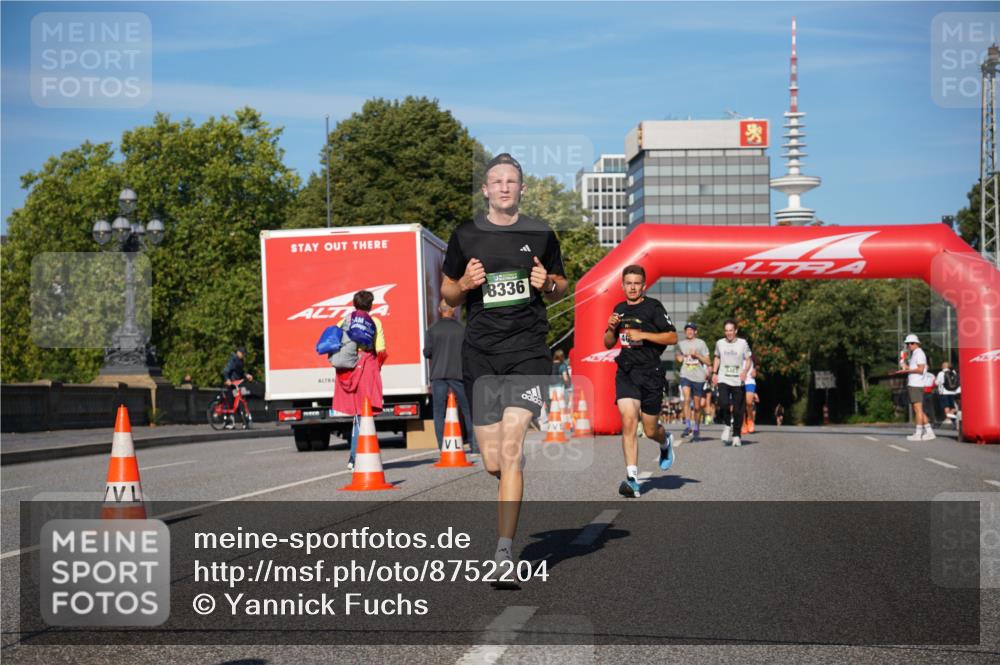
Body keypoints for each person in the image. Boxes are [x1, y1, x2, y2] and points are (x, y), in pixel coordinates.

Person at [441, 153, 567, 572]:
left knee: (510, 450)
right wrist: (464, 283)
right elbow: (448, 295)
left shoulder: (541, 232)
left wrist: (546, 282)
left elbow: (561, 284)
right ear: (486, 189)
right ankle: (511, 474)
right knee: (494, 461)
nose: (504, 188)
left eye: (511, 181)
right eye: (497, 182)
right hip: (480, 355)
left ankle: (503, 554)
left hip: (528, 351)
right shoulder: (465, 234)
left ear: (522, 188)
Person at [603, 264, 678, 498]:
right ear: (623, 285)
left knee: (650, 429)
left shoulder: (653, 307)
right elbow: (607, 343)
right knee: (628, 419)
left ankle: (665, 442)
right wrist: (610, 327)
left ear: (643, 285)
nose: (632, 287)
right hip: (626, 371)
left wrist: (643, 334)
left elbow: (672, 336)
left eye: (637, 283)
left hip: (651, 373)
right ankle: (632, 479)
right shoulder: (619, 309)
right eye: (628, 283)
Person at [334, 290, 387, 469]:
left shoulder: (344, 321)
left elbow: (336, 343)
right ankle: (357, 457)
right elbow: (381, 351)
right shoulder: (376, 322)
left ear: (354, 304)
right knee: (365, 415)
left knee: (357, 415)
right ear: (370, 305)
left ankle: (353, 458)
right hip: (367, 367)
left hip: (348, 369)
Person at [423, 299, 477, 455]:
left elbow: (427, 352)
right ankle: (474, 446)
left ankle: (443, 447)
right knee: (468, 410)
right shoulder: (462, 329)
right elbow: (469, 352)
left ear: (440, 310)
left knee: (439, 412)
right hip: (459, 374)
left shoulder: (432, 329)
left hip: (438, 375)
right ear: (453, 310)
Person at [712, 320, 752, 447]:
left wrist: (745, 371)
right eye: (726, 330)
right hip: (724, 377)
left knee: (738, 410)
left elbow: (748, 359)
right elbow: (717, 357)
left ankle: (736, 435)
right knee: (723, 403)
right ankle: (727, 425)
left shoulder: (743, 343)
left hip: (738, 379)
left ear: (736, 331)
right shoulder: (720, 343)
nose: (728, 333)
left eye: (731, 330)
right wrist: (714, 373)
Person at [675, 322, 710, 442]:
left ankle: (696, 428)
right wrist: (680, 357)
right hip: (685, 375)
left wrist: (697, 355)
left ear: (696, 331)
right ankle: (688, 426)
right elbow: (678, 357)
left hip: (699, 377)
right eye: (687, 330)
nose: (689, 332)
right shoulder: (681, 344)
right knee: (686, 399)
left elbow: (708, 362)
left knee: (696, 406)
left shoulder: (701, 343)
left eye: (692, 330)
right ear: (685, 332)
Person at [896, 333, 934, 441]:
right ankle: (929, 432)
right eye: (908, 344)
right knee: (918, 410)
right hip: (914, 384)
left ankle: (918, 433)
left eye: (911, 343)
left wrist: (907, 370)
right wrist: (905, 366)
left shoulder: (919, 353)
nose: (909, 346)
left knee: (918, 410)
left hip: (916, 384)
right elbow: (913, 368)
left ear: (917, 343)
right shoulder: (915, 354)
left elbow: (921, 369)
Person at [221, 347, 254, 429]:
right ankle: (229, 422)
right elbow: (226, 371)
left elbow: (241, 372)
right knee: (231, 403)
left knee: (240, 402)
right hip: (232, 385)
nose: (243, 356)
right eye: (243, 354)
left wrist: (246, 375)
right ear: (238, 352)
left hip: (238, 384)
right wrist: (227, 379)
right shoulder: (233, 360)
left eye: (244, 354)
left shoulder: (241, 361)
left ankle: (243, 421)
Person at [742, 355, 759, 435]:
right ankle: (743, 424)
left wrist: (755, 369)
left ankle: (750, 419)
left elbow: (758, 364)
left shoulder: (751, 354)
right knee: (740, 404)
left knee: (749, 402)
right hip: (738, 381)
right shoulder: (734, 351)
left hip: (749, 381)